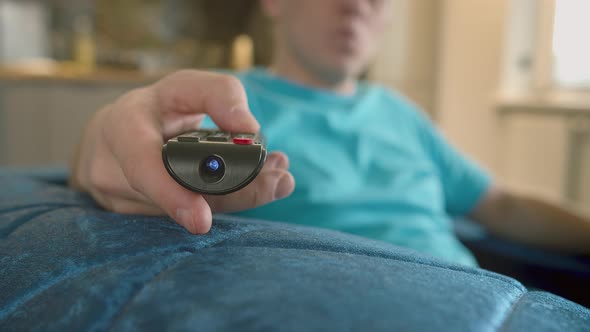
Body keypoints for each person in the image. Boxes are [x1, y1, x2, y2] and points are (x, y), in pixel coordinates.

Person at [70, 0, 590, 267]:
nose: (357, 3)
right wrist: (106, 136)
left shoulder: (403, 115)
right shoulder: (229, 107)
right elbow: (126, 156)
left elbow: (503, 206)